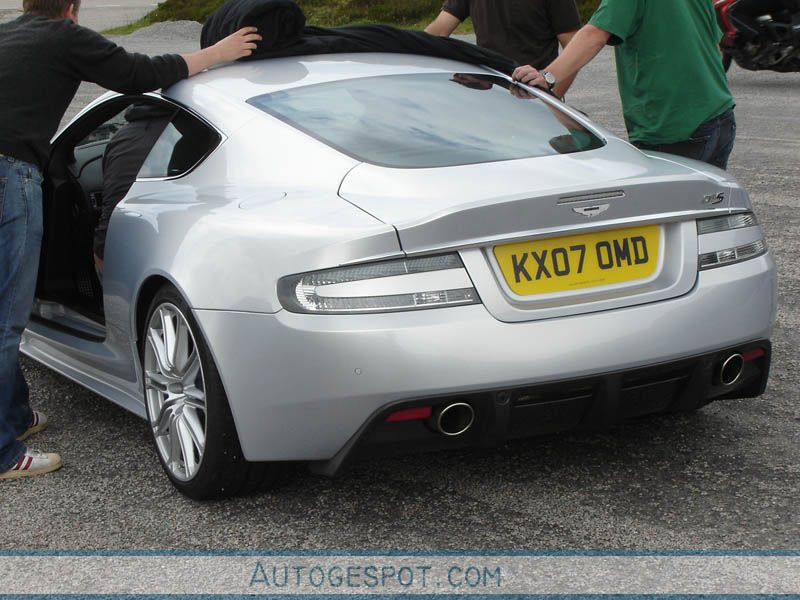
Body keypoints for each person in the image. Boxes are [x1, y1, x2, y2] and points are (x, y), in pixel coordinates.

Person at [0, 0, 261, 480]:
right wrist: (218, 53)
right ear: (72, 9)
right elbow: (138, 73)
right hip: (10, 174)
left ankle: (14, 417)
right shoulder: (63, 36)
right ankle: (3, 452)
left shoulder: (10, 36)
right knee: (6, 320)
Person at [512, 0, 737, 170]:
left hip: (674, 126)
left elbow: (595, 33)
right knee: (707, 210)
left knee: (668, 210)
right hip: (719, 114)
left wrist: (547, 77)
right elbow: (714, 40)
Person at [93, 104, 176, 276]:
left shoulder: (121, 139)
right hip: (174, 243)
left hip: (121, 242)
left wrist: (101, 250)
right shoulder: (187, 133)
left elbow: (113, 202)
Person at [425, 0, 581, 77]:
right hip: (491, 94)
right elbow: (438, 31)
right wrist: (410, 48)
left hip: (534, 93)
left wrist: (551, 93)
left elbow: (575, 52)